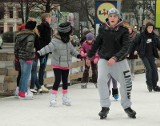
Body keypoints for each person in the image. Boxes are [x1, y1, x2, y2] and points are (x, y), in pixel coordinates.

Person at [86, 8, 136, 119]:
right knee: (101, 80)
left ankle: (127, 106)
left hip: (120, 61)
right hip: (104, 59)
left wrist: (116, 57)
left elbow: (126, 47)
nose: (112, 18)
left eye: (115, 16)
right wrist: (89, 56)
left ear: (118, 18)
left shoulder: (123, 30)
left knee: (126, 83)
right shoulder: (103, 29)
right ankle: (105, 107)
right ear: (108, 17)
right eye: (111, 16)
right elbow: (96, 43)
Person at [36, 22, 81, 107]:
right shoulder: (55, 41)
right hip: (57, 64)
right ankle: (53, 97)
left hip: (66, 64)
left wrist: (78, 55)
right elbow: (47, 48)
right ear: (65, 31)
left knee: (65, 81)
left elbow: (72, 50)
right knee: (57, 80)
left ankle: (65, 97)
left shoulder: (68, 40)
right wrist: (39, 53)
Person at [129, 22, 160, 92]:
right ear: (146, 28)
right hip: (143, 55)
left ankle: (154, 85)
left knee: (154, 70)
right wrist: (129, 52)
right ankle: (149, 84)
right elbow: (134, 43)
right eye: (149, 28)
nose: (150, 29)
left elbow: (158, 45)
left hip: (151, 55)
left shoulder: (154, 36)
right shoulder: (141, 35)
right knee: (149, 69)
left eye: (151, 28)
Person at [14, 20, 36, 99]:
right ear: (33, 28)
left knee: (23, 75)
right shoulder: (31, 35)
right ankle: (23, 93)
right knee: (25, 75)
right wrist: (29, 57)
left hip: (20, 57)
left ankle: (21, 91)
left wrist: (17, 56)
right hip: (27, 58)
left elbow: (16, 47)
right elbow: (29, 47)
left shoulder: (19, 35)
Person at [37, 13, 52, 93]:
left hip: (45, 50)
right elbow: (44, 39)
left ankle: (40, 84)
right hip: (43, 50)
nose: (51, 19)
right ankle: (40, 84)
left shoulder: (46, 27)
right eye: (50, 17)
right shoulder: (43, 27)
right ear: (46, 18)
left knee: (42, 68)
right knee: (42, 68)